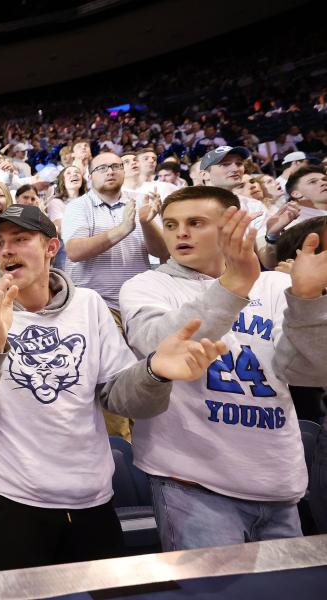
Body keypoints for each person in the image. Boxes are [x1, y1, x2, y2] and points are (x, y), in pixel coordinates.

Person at [0, 203, 227, 571]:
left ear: (51, 248)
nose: (6, 250)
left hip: (91, 498)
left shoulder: (89, 306)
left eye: (21, 239)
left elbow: (120, 396)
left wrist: (154, 372)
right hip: (9, 500)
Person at [119, 186, 327, 551]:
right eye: (171, 224)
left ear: (233, 225)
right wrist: (235, 285)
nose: (180, 233)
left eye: (195, 223)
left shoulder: (277, 286)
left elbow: (309, 373)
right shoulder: (147, 285)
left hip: (278, 479)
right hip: (191, 484)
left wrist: (308, 302)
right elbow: (159, 345)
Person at [63, 152, 169, 321]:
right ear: (89, 177)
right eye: (102, 168)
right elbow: (74, 252)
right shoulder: (77, 206)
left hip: (140, 301)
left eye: (115, 167)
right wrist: (122, 229)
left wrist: (146, 223)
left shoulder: (142, 201)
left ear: (123, 172)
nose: (110, 172)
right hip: (96, 305)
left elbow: (163, 252)